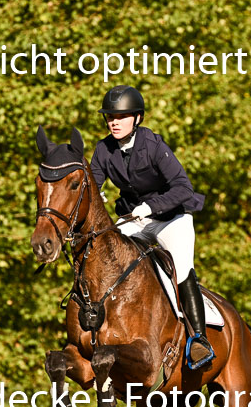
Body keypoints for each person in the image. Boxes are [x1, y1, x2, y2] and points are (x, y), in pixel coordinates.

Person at [89, 84, 214, 370]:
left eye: (121, 117)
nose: (114, 122)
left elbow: (183, 187)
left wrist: (151, 206)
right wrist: (97, 196)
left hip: (171, 218)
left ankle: (199, 340)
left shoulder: (153, 145)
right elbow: (93, 183)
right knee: (106, 258)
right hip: (134, 221)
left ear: (137, 118)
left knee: (182, 269)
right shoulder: (103, 149)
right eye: (110, 117)